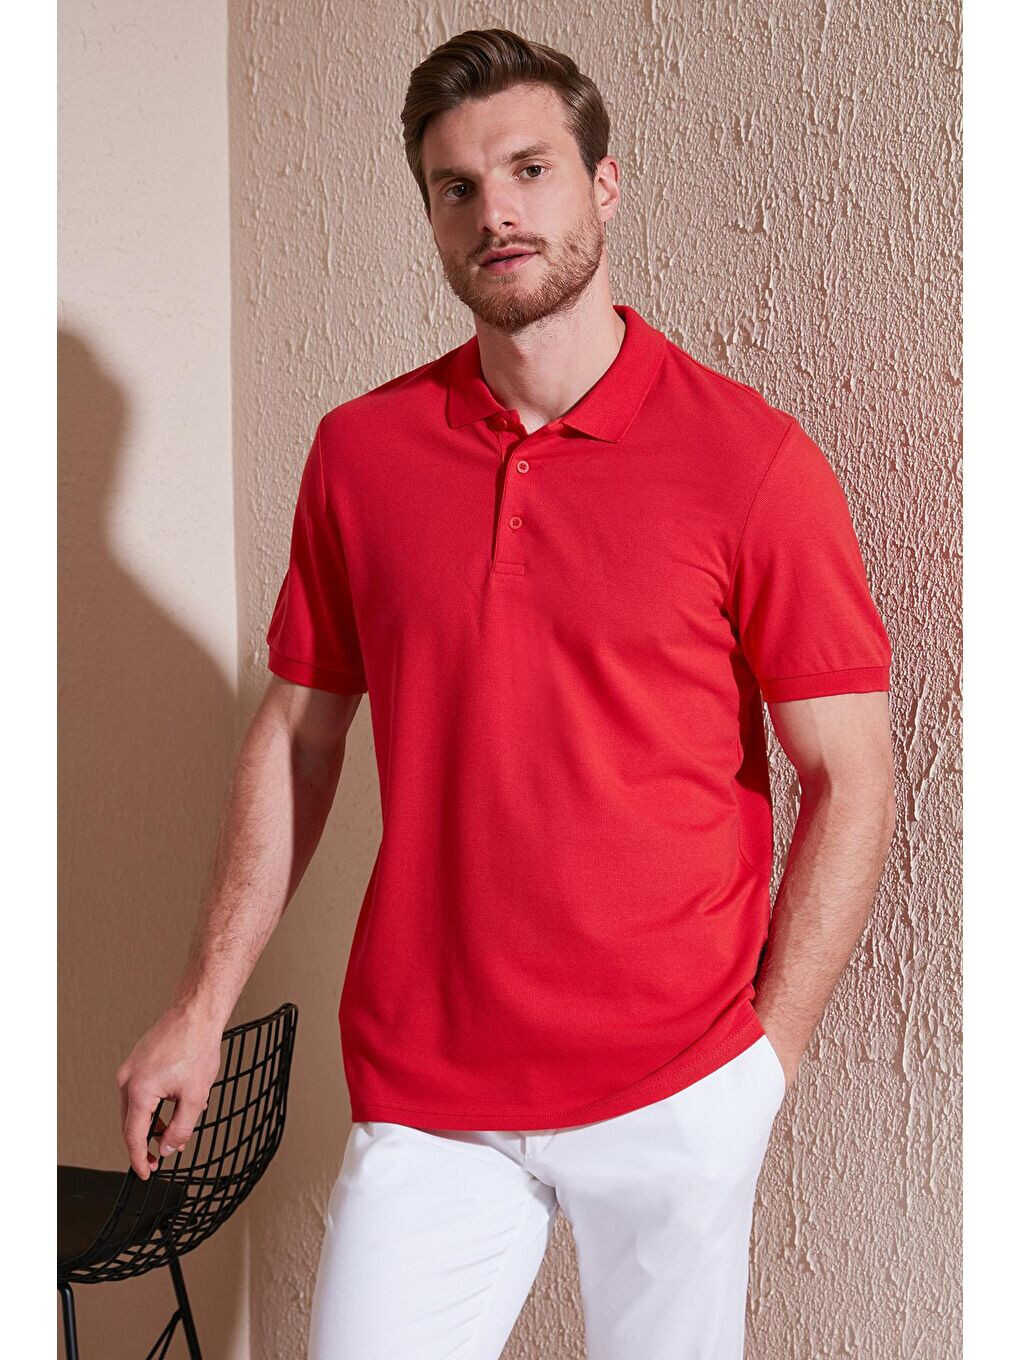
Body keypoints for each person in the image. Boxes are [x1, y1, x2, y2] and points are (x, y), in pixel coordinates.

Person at [116, 27, 897, 1360]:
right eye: (457, 186)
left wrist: (765, 1061)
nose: (498, 213)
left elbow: (852, 774)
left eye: (531, 169)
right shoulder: (360, 455)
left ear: (605, 183)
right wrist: (201, 1006)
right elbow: (299, 738)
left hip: (677, 1086)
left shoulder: (751, 462)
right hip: (431, 1090)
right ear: (431, 214)